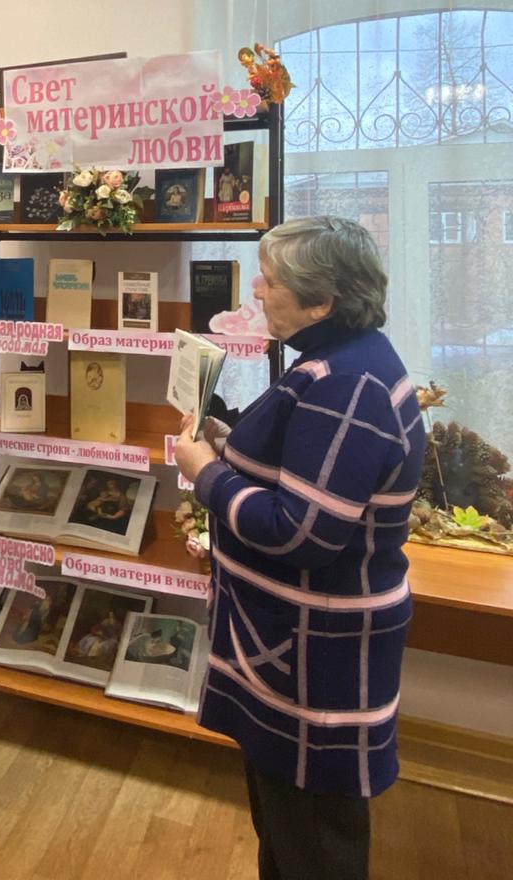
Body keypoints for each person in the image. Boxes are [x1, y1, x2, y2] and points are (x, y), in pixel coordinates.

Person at [174, 216, 425, 880]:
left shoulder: (348, 385)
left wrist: (207, 475)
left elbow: (300, 532)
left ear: (322, 302)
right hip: (295, 646)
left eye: (272, 280)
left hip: (315, 656)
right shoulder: (336, 362)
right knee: (286, 830)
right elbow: (300, 467)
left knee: (312, 844)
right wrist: (226, 440)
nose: (257, 290)